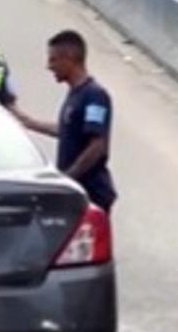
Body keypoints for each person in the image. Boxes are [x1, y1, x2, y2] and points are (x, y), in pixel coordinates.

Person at [18, 30, 117, 213]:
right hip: (75, 193)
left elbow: (97, 145)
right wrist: (29, 122)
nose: (49, 66)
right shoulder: (76, 94)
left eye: (53, 59)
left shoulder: (94, 95)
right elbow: (68, 130)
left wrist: (68, 178)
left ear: (69, 58)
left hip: (90, 194)